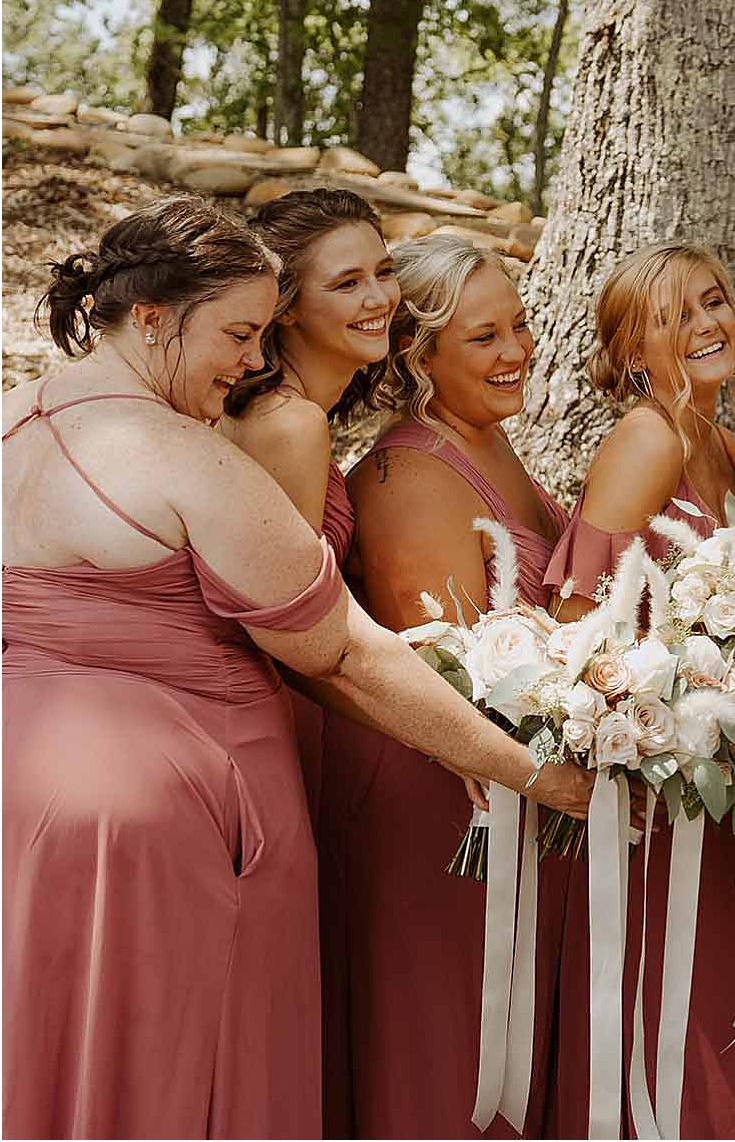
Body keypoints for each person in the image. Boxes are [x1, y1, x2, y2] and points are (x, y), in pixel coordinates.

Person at [1, 197, 589, 1138]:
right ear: (152, 318)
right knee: (187, 1069)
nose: (248, 360)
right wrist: (526, 769)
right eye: (235, 333)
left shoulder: (13, 418)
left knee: (57, 1043)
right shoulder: (186, 460)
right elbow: (345, 656)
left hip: (25, 792)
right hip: (182, 812)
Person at [541, 244, 735, 1137]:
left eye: (716, 302)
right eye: (673, 316)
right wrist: (663, 708)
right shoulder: (646, 437)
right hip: (650, 792)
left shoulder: (727, 448)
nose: (706, 325)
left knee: (730, 1018)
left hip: (721, 787)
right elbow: (578, 621)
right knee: (674, 1031)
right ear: (627, 353)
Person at [329, 235, 580, 1138]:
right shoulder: (407, 476)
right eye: (484, 337)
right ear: (416, 352)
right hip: (442, 810)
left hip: (513, 796)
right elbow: (455, 666)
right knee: (445, 1056)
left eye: (519, 327)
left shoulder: (491, 445)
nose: (516, 350)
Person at [221, 187, 401, 1136]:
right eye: (349, 282)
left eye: (383, 270)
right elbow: (289, 638)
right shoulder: (291, 425)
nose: (379, 297)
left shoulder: (305, 416)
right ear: (286, 306)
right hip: (272, 724)